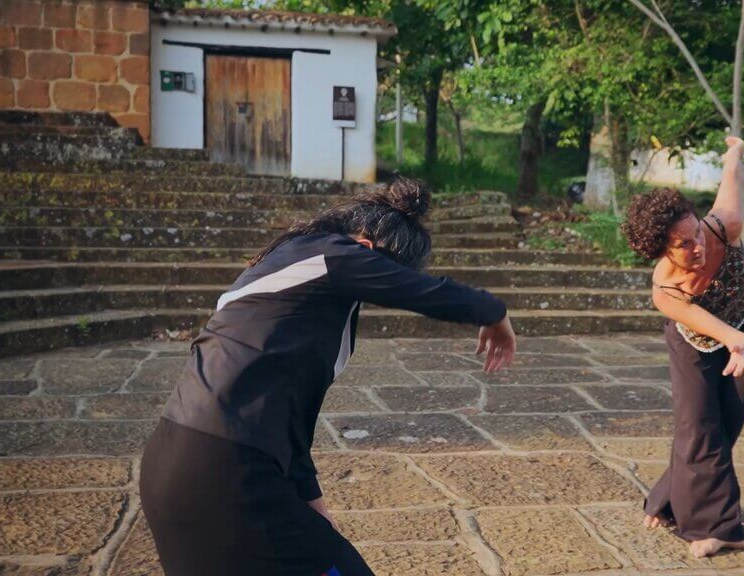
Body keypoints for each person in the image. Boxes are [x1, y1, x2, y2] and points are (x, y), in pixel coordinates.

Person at [139, 177, 517, 576]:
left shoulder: (288, 275)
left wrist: (312, 502)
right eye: (385, 270)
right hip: (226, 472)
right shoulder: (333, 255)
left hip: (173, 466)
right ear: (368, 248)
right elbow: (424, 291)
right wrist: (493, 311)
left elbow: (290, 416)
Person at [621, 136, 744, 559]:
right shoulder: (665, 288)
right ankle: (721, 528)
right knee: (698, 423)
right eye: (683, 244)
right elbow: (714, 331)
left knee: (727, 423)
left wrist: (735, 153)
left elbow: (731, 183)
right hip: (697, 339)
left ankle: (668, 497)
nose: (697, 245)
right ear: (659, 250)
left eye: (695, 232)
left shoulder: (724, 225)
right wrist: (739, 344)